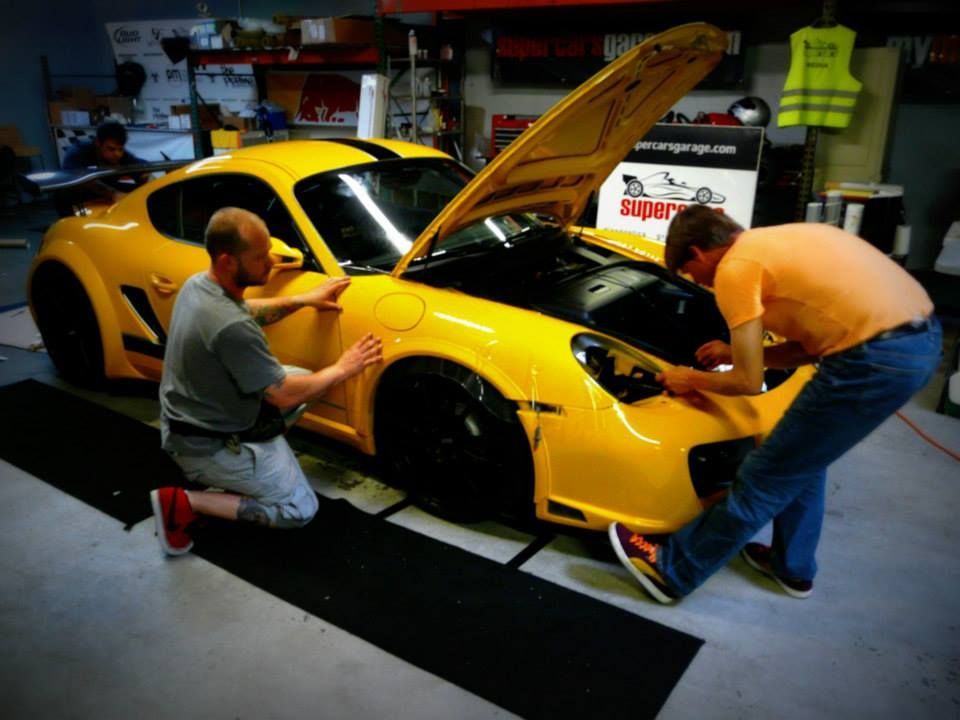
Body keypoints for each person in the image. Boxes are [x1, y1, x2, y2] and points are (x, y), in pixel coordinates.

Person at [609, 205, 941, 604]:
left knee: (765, 474)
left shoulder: (734, 269)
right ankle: (792, 569)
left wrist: (689, 378)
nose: (696, 282)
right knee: (802, 459)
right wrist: (738, 351)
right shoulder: (779, 239)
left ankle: (671, 570)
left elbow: (747, 383)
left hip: (871, 361)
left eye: (688, 273)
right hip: (919, 343)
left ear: (696, 253)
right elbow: (808, 347)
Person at [151, 207, 383, 556]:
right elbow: (284, 396)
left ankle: (257, 468)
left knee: (307, 380)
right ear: (228, 261)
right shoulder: (230, 327)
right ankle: (183, 500)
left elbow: (247, 312)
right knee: (298, 510)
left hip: (191, 419)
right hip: (206, 443)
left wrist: (302, 299)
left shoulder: (200, 286)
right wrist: (344, 367)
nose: (271, 264)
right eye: (260, 258)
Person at [59, 121, 147, 212]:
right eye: (111, 149)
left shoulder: (121, 155)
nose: (117, 154)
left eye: (120, 149)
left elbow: (141, 168)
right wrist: (113, 194)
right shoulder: (78, 152)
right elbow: (78, 178)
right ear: (98, 143)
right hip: (77, 200)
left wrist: (145, 177)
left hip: (104, 202)